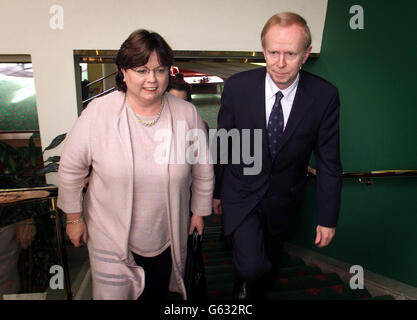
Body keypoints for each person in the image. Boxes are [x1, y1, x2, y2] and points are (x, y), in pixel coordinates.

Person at [57, 29, 214, 300]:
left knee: (156, 294)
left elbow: (202, 169)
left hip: (168, 236)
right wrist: (73, 217)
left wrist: (199, 212)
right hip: (109, 236)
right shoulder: (98, 112)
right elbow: (71, 169)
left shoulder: (186, 114)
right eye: (142, 70)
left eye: (160, 70)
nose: (152, 79)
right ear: (124, 71)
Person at [213, 12, 342, 299]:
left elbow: (329, 163)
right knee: (250, 266)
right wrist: (216, 192)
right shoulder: (237, 87)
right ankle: (243, 287)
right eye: (273, 52)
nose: (280, 63)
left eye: (290, 54)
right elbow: (223, 144)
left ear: (306, 54)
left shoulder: (325, 96)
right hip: (241, 193)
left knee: (268, 265)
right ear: (263, 51)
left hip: (284, 200)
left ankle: (248, 292)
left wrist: (327, 217)